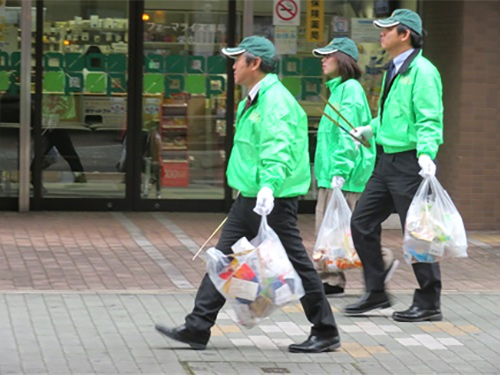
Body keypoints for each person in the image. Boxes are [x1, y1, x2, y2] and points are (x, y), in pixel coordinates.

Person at [155, 36, 341, 353]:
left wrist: (269, 185)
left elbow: (277, 148)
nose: (233, 65)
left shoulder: (275, 101)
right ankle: (198, 326)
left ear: (254, 63)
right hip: (251, 197)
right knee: (223, 257)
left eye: (237, 59)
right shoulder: (253, 100)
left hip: (272, 199)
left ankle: (325, 330)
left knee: (296, 263)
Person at [344, 9, 444, 322]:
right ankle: (376, 293)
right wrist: (370, 129)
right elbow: (393, 116)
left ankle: (429, 302)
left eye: (387, 29)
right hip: (386, 161)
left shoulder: (423, 72)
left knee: (417, 234)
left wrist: (427, 153)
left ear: (405, 35)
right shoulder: (396, 69)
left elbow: (429, 118)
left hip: (410, 162)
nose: (381, 33)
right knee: (361, 223)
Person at [311, 37, 399, 296]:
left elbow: (348, 136)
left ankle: (382, 259)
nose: (323, 60)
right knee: (328, 232)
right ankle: (331, 279)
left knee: (349, 231)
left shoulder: (349, 90)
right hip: (332, 175)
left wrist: (340, 169)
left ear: (344, 60)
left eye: (329, 56)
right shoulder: (338, 90)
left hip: (345, 177)